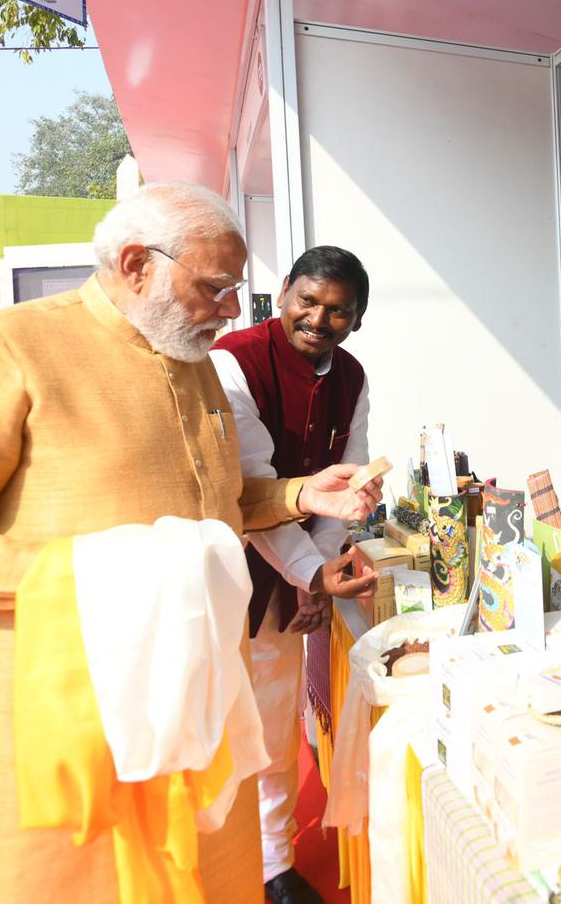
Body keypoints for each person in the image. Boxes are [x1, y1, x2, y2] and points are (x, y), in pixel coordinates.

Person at [0, 182, 383, 904]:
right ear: (137, 262)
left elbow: (222, 501)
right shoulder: (1, 349)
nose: (233, 309)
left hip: (198, 706)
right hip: (72, 720)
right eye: (216, 287)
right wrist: (115, 577)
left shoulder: (192, 362)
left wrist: (301, 493)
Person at [211, 246, 374, 904]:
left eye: (338, 310)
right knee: (220, 727)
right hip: (227, 573)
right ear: (283, 291)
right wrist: (311, 573)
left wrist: (321, 569)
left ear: (356, 319)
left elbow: (353, 478)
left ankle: (273, 863)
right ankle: (221, 863)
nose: (318, 318)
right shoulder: (233, 361)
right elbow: (254, 491)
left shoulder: (354, 375)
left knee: (275, 728)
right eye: (308, 300)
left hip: (298, 575)